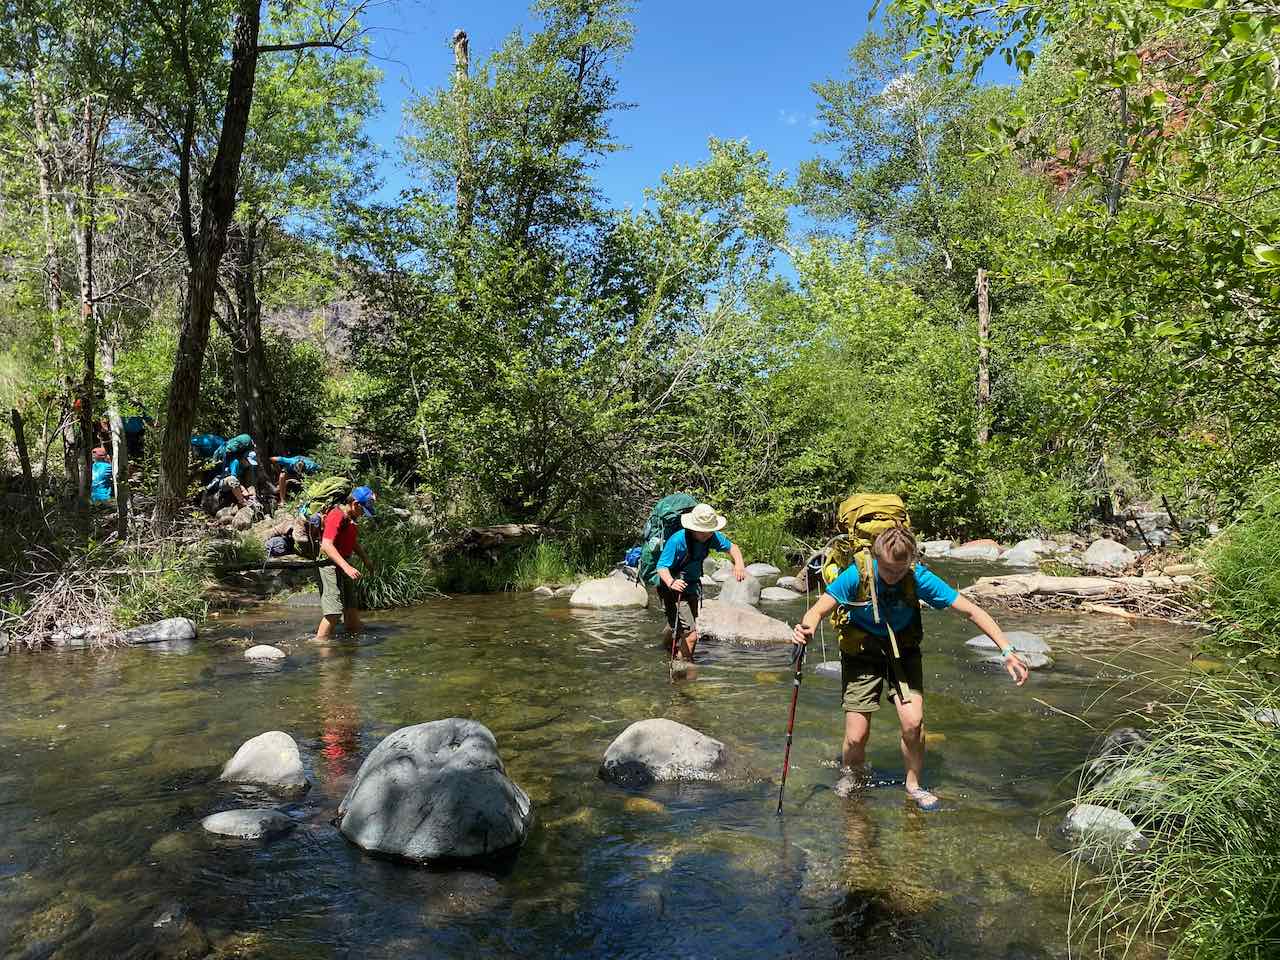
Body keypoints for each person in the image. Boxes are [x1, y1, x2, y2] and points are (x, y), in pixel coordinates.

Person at [792, 525, 1030, 811]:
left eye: (900, 570)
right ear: (877, 559)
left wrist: (1007, 650)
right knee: (857, 736)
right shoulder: (857, 574)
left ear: (910, 562)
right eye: (888, 570)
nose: (893, 577)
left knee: (913, 724)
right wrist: (805, 629)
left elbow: (972, 611)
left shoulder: (919, 578)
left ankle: (913, 785)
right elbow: (817, 610)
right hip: (862, 652)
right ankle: (851, 776)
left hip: (903, 652)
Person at [655, 502, 747, 661]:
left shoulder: (711, 536)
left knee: (676, 626)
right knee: (691, 636)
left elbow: (733, 547)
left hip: (691, 587)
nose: (707, 534)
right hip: (672, 589)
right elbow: (661, 566)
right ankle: (683, 670)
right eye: (703, 531)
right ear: (692, 528)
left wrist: (739, 564)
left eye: (710, 531)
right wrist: (671, 582)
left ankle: (665, 650)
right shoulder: (677, 541)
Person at [315, 485, 378, 641]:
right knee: (334, 612)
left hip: (343, 562)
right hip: (328, 564)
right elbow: (326, 545)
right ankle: (319, 646)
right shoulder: (336, 515)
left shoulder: (351, 519)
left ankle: (353, 643)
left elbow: (352, 542)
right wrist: (347, 567)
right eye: (363, 510)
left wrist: (366, 559)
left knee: (351, 608)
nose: (363, 514)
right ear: (355, 504)